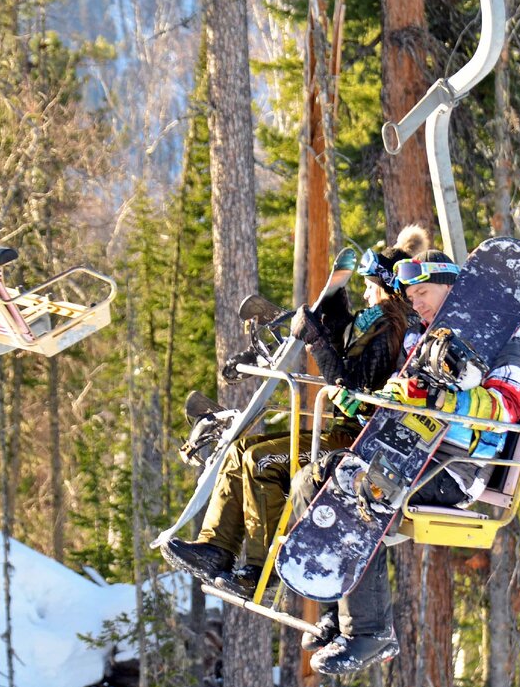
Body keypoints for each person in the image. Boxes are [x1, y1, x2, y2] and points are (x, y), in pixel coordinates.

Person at [290, 248, 520, 675]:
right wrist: (364, 403)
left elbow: (508, 404)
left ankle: (372, 632)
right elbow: (400, 397)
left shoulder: (505, 337)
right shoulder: (422, 340)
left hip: (454, 467)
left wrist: (442, 396)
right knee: (314, 479)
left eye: (423, 292)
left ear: (452, 289)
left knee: (360, 487)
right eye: (410, 294)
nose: (415, 303)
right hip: (409, 449)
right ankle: (336, 600)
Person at [160, 229, 429, 598]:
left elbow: (352, 387)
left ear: (386, 287)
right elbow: (345, 362)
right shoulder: (371, 322)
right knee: (241, 450)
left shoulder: (393, 327)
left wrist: (318, 340)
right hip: (343, 428)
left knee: (262, 460)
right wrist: (333, 321)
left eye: (370, 287)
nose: (367, 294)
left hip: (359, 439)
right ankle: (216, 547)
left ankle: (260, 568)